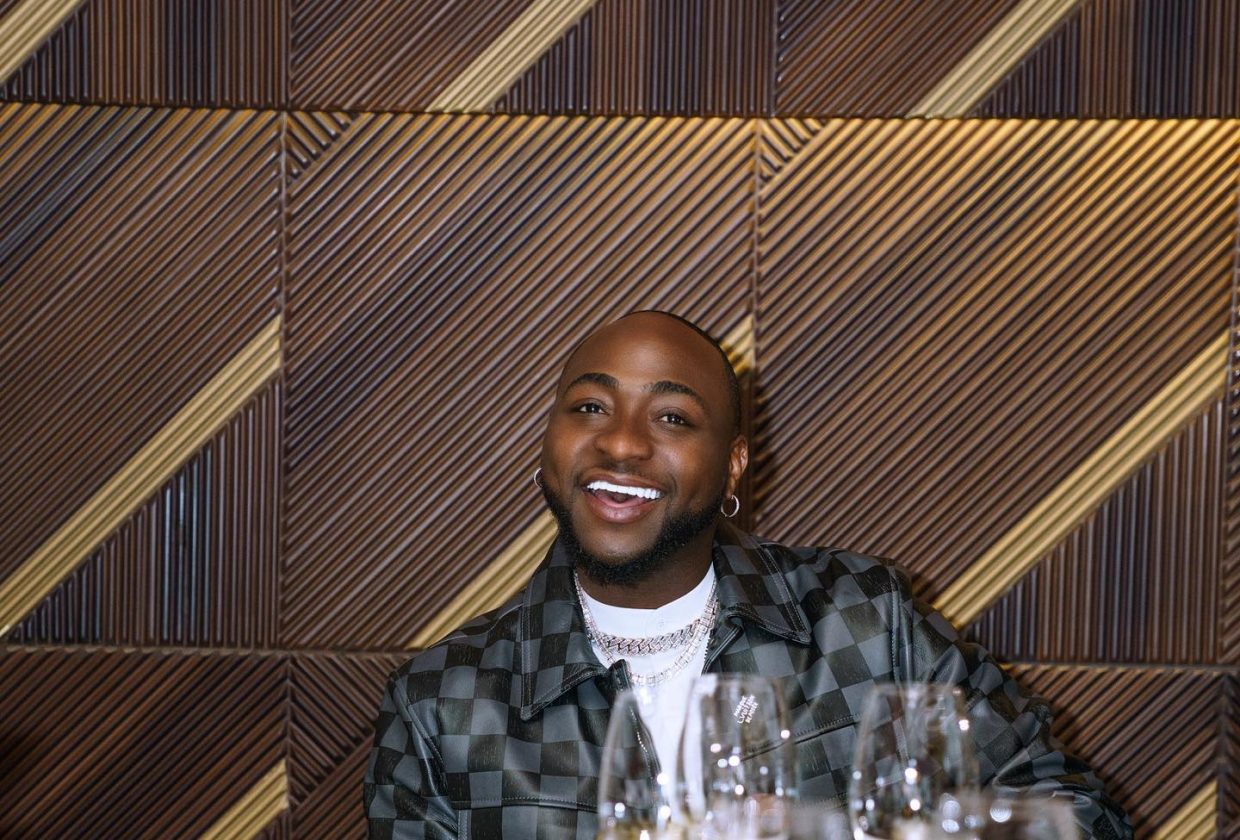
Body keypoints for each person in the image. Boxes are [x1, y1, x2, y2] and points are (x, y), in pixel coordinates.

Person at [365, 311, 1132, 839]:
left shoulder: (866, 623)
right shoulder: (443, 703)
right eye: (590, 407)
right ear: (547, 446)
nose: (621, 443)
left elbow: (1076, 814)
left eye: (672, 417)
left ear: (733, 464)